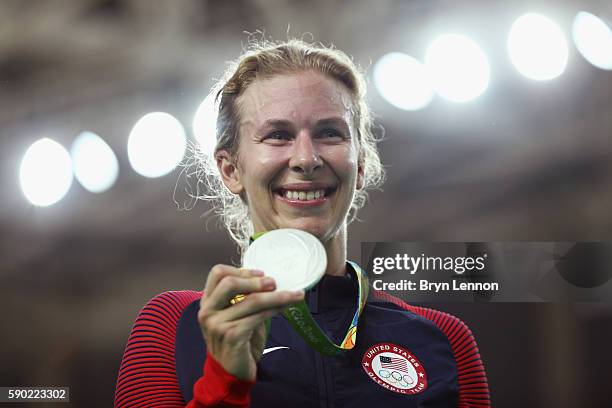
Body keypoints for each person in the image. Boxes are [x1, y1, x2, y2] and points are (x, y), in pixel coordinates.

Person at [114, 39, 491, 407]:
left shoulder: (443, 339)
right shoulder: (173, 326)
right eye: (278, 135)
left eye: (329, 133)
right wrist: (224, 384)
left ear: (359, 165)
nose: (306, 159)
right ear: (230, 170)